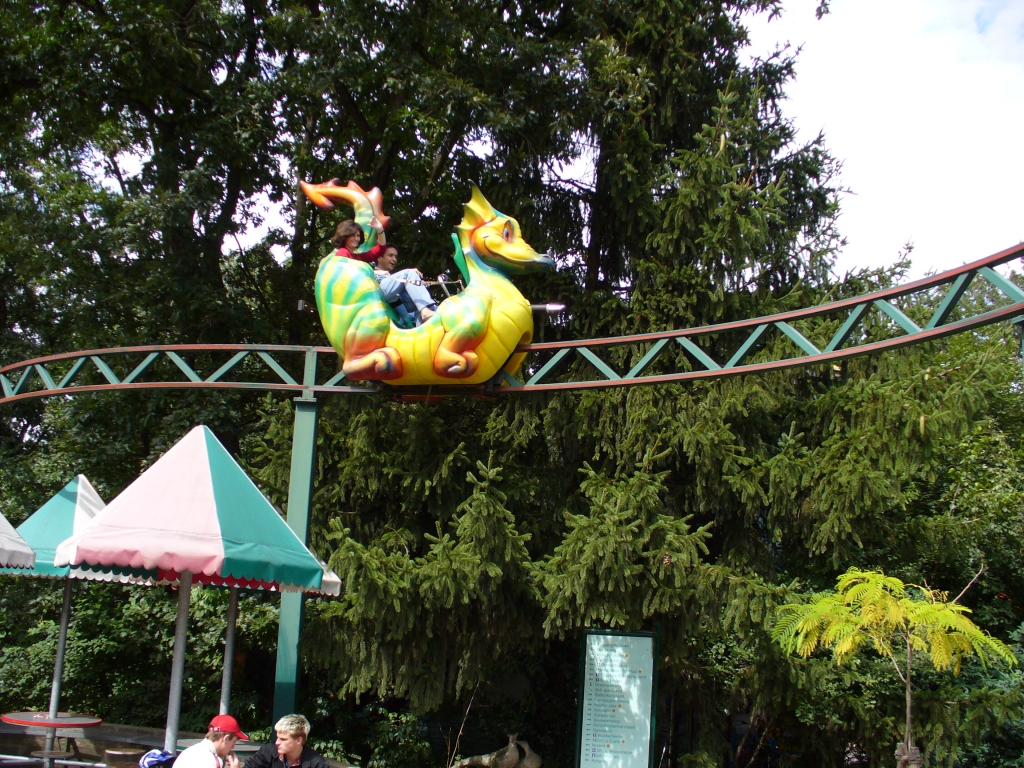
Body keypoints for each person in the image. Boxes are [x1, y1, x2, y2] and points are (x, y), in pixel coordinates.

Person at [373, 244, 437, 324]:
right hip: (378, 292)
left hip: (396, 301)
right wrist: (410, 275)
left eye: (396, 257)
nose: (394, 259)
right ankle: (425, 312)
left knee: (425, 303)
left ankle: (423, 326)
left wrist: (417, 285)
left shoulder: (394, 281)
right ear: (379, 257)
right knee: (409, 273)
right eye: (390, 255)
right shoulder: (371, 273)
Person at [243, 714, 329, 768]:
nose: (277, 742)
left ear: (298, 740)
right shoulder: (268, 751)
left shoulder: (318, 764)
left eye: (283, 739)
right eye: (277, 737)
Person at [172, 714, 247, 768]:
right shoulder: (209, 760)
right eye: (234, 742)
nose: (233, 747)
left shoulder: (190, 751)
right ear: (226, 738)